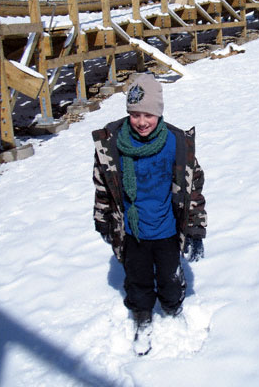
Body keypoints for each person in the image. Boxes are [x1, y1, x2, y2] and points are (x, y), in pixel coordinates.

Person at [92, 73, 207, 354]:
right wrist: (104, 221)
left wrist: (195, 228)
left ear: (159, 113)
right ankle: (142, 317)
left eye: (149, 115)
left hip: (167, 229)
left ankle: (172, 309)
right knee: (138, 279)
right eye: (135, 114)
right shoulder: (112, 144)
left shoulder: (177, 144)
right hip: (132, 231)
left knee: (170, 277)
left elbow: (193, 188)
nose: (142, 122)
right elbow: (103, 187)